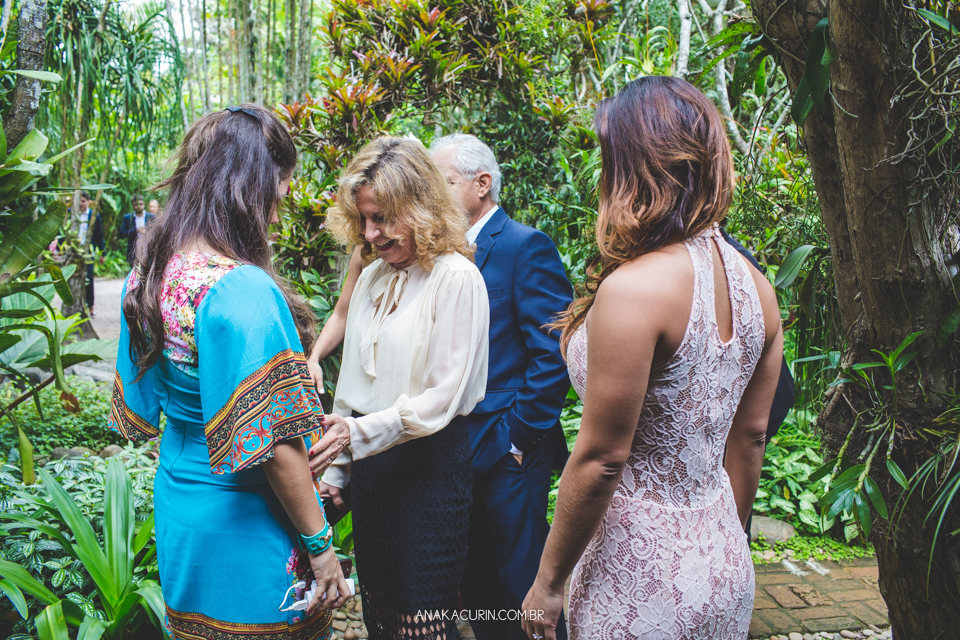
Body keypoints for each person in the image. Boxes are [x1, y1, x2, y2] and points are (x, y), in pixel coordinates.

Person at [521, 76, 784, 640]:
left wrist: (547, 583)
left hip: (639, 572)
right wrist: (719, 548)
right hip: (723, 559)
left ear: (633, 163)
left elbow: (601, 460)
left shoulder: (636, 290)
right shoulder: (758, 287)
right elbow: (751, 436)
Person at [108, 103, 350, 640]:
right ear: (254, 188)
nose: (277, 214)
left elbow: (152, 403)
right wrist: (321, 548)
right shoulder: (240, 289)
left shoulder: (149, 272)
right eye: (279, 194)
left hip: (182, 504)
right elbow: (275, 445)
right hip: (249, 523)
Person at [316, 136, 489, 640]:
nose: (372, 234)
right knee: (383, 616)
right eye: (364, 220)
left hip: (428, 473)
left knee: (423, 623)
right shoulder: (372, 277)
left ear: (422, 205)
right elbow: (353, 385)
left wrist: (355, 435)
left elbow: (444, 395)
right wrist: (341, 472)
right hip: (373, 473)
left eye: (384, 218)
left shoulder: (457, 278)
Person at [431, 133, 573, 640]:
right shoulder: (441, 255)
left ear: (482, 184)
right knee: (476, 583)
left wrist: (519, 439)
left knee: (521, 587)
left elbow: (552, 356)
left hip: (511, 449)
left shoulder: (524, 246)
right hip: (457, 446)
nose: (430, 191)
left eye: (442, 181)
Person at [66, 191, 104, 316]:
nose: (80, 204)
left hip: (88, 251)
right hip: (73, 251)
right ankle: (73, 305)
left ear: (88, 202)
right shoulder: (70, 214)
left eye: (83, 201)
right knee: (71, 276)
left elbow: (99, 236)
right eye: (78, 201)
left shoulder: (93, 216)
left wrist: (102, 253)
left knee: (89, 277)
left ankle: (90, 305)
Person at [118, 194, 155, 265]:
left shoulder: (151, 217)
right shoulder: (127, 218)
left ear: (144, 204)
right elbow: (122, 234)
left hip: (148, 250)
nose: (138, 206)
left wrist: (146, 233)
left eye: (140, 204)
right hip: (133, 251)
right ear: (133, 205)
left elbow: (156, 233)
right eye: (136, 204)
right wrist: (136, 231)